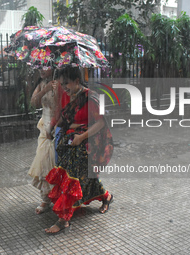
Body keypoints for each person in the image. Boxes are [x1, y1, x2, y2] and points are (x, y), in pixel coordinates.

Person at [44, 67, 114, 234]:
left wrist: (81, 136)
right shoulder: (71, 97)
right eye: (62, 84)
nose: (64, 87)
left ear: (77, 81)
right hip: (72, 142)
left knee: (73, 179)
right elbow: (65, 117)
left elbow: (101, 123)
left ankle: (63, 221)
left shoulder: (90, 97)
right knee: (82, 177)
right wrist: (53, 127)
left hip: (88, 145)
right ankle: (106, 196)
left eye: (66, 83)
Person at [28, 68, 61, 214]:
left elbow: (62, 107)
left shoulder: (61, 83)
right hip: (44, 128)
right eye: (40, 66)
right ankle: (45, 199)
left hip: (57, 127)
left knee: (55, 164)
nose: (41, 69)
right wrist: (45, 89)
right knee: (42, 163)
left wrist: (54, 127)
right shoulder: (42, 84)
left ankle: (58, 198)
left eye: (46, 66)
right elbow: (33, 102)